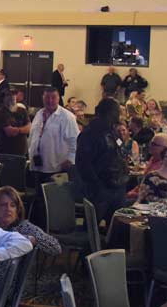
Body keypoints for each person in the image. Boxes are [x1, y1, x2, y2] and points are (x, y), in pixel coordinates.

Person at [75, 97, 127, 225]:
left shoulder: (113, 131)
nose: (119, 115)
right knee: (92, 228)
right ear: (108, 112)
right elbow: (83, 164)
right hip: (100, 189)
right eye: (117, 111)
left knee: (116, 228)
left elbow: (119, 151)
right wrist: (97, 186)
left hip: (117, 186)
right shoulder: (90, 133)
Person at [0, 187, 61, 261]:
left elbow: (56, 247)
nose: (8, 209)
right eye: (3, 205)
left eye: (13, 205)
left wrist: (32, 239)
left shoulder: (24, 227)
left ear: (17, 209)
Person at [27, 86, 77, 183]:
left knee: (51, 196)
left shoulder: (67, 117)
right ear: (43, 98)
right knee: (38, 195)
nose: (50, 100)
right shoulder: (39, 114)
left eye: (53, 97)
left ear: (58, 98)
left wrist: (70, 159)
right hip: (37, 166)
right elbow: (33, 135)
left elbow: (75, 140)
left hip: (56, 167)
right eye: (47, 97)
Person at [0, 93, 30, 159]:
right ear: (4, 98)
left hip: (22, 152)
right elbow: (9, 132)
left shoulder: (22, 110)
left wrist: (18, 130)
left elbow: (29, 128)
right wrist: (23, 129)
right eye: (9, 95)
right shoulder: (1, 112)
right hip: (6, 152)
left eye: (13, 95)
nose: (12, 97)